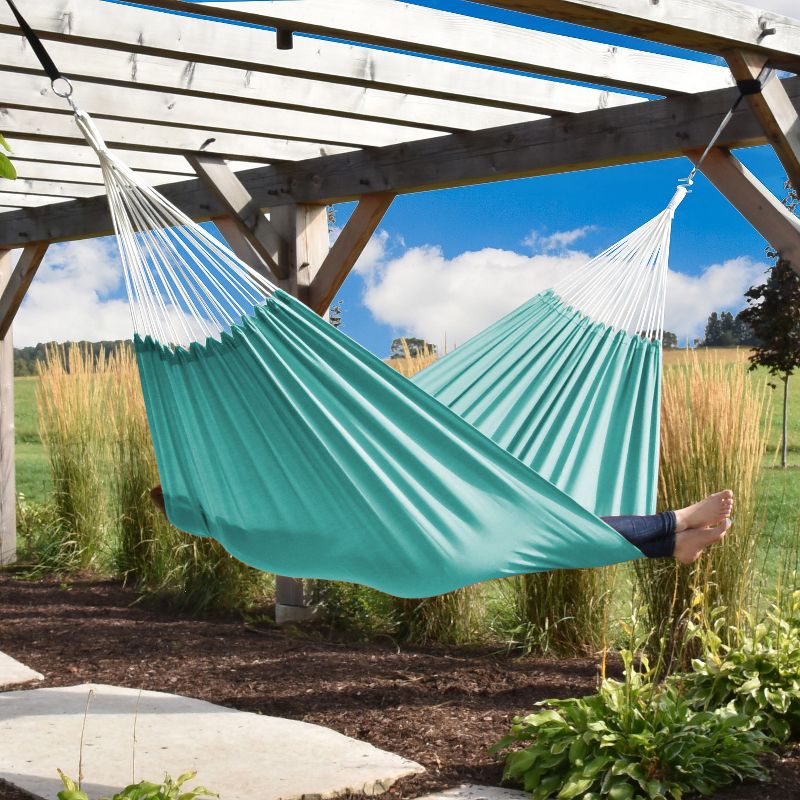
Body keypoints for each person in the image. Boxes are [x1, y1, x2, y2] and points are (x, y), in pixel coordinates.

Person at [148, 485, 732, 565]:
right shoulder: (253, 520)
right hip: (423, 543)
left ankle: (669, 542)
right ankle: (674, 523)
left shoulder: (250, 534)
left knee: (549, 532)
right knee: (547, 527)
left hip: (418, 543)